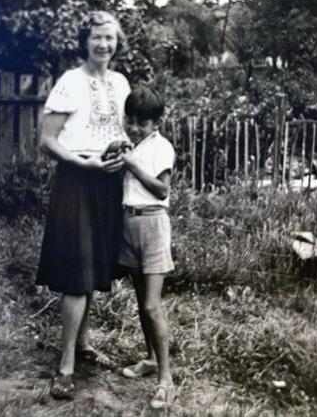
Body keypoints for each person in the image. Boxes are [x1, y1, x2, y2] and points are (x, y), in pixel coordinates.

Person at [35, 11, 131, 400]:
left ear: (117, 42)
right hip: (76, 180)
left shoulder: (120, 83)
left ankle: (85, 344)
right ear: (84, 41)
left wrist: (121, 150)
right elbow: (47, 141)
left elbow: (119, 129)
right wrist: (82, 162)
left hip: (109, 181)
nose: (103, 44)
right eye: (96, 37)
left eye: (110, 38)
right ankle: (65, 366)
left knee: (93, 266)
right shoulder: (70, 82)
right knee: (77, 272)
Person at [118, 86, 176, 410]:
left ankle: (166, 381)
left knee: (153, 306)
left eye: (142, 123)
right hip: (130, 224)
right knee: (142, 303)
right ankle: (152, 359)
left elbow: (161, 190)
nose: (135, 127)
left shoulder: (161, 147)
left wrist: (131, 165)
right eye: (131, 121)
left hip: (153, 225)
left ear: (156, 123)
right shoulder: (132, 146)